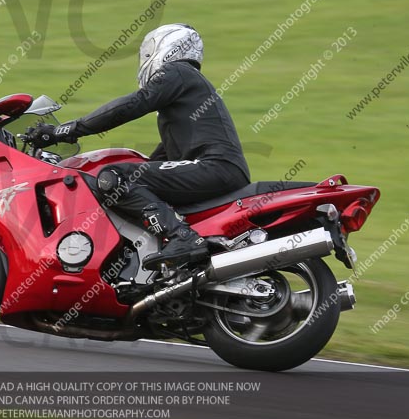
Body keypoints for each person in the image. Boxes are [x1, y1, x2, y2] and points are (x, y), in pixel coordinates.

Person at [32, 23, 250, 270]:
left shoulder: (178, 72)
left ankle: (183, 238)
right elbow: (156, 162)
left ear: (168, 48)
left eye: (147, 52)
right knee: (127, 179)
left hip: (214, 167)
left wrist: (66, 130)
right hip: (215, 168)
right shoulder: (185, 98)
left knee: (112, 177)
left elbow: (133, 104)